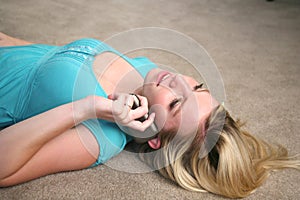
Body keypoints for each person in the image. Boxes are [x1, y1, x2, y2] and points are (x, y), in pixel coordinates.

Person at [0, 32, 299, 198]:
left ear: (154, 138)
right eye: (197, 86)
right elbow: (47, 55)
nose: (179, 80)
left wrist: (86, 108)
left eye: (176, 104)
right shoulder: (149, 76)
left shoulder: (101, 137)